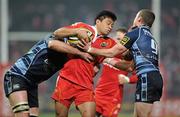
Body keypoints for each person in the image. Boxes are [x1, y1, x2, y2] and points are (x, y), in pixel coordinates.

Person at [80, 9, 163, 117]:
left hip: (145, 77)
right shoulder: (150, 38)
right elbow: (131, 66)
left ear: (139, 19)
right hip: (155, 77)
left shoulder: (135, 33)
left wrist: (90, 49)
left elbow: (113, 51)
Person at [3, 23, 94, 117]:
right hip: (17, 75)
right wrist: (80, 50)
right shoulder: (57, 41)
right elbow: (52, 43)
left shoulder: (69, 55)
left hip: (32, 83)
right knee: (22, 112)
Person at [51, 10, 117, 117]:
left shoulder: (110, 42)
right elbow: (57, 33)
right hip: (66, 79)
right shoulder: (82, 27)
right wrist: (76, 31)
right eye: (108, 23)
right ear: (98, 22)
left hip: (85, 84)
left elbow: (124, 54)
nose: (110, 27)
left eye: (112, 25)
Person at [95, 28, 138, 117]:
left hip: (113, 98)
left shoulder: (128, 59)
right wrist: (95, 66)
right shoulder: (107, 52)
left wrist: (128, 79)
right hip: (99, 94)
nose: (119, 42)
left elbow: (139, 75)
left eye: (122, 40)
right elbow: (95, 61)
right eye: (117, 39)